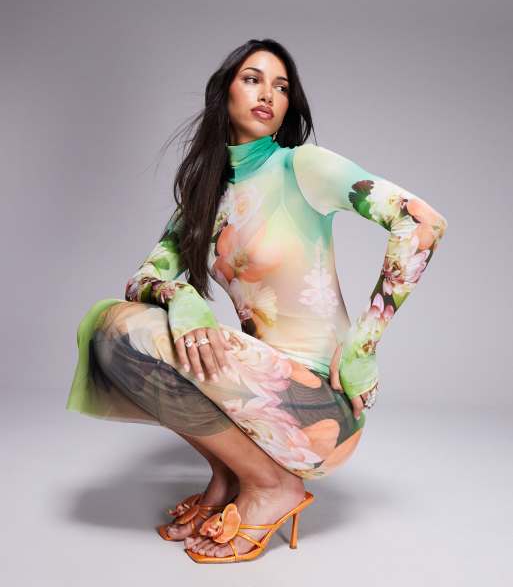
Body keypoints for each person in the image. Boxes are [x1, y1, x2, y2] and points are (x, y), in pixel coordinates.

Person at [66, 38, 448, 562]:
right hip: (257, 398)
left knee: (121, 328)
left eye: (282, 86)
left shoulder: (301, 165)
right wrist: (181, 297)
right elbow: (142, 279)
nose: (268, 93)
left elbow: (422, 223)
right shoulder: (204, 199)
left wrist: (364, 344)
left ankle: (273, 485)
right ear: (224, 92)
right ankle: (229, 476)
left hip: (321, 409)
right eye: (252, 79)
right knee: (113, 330)